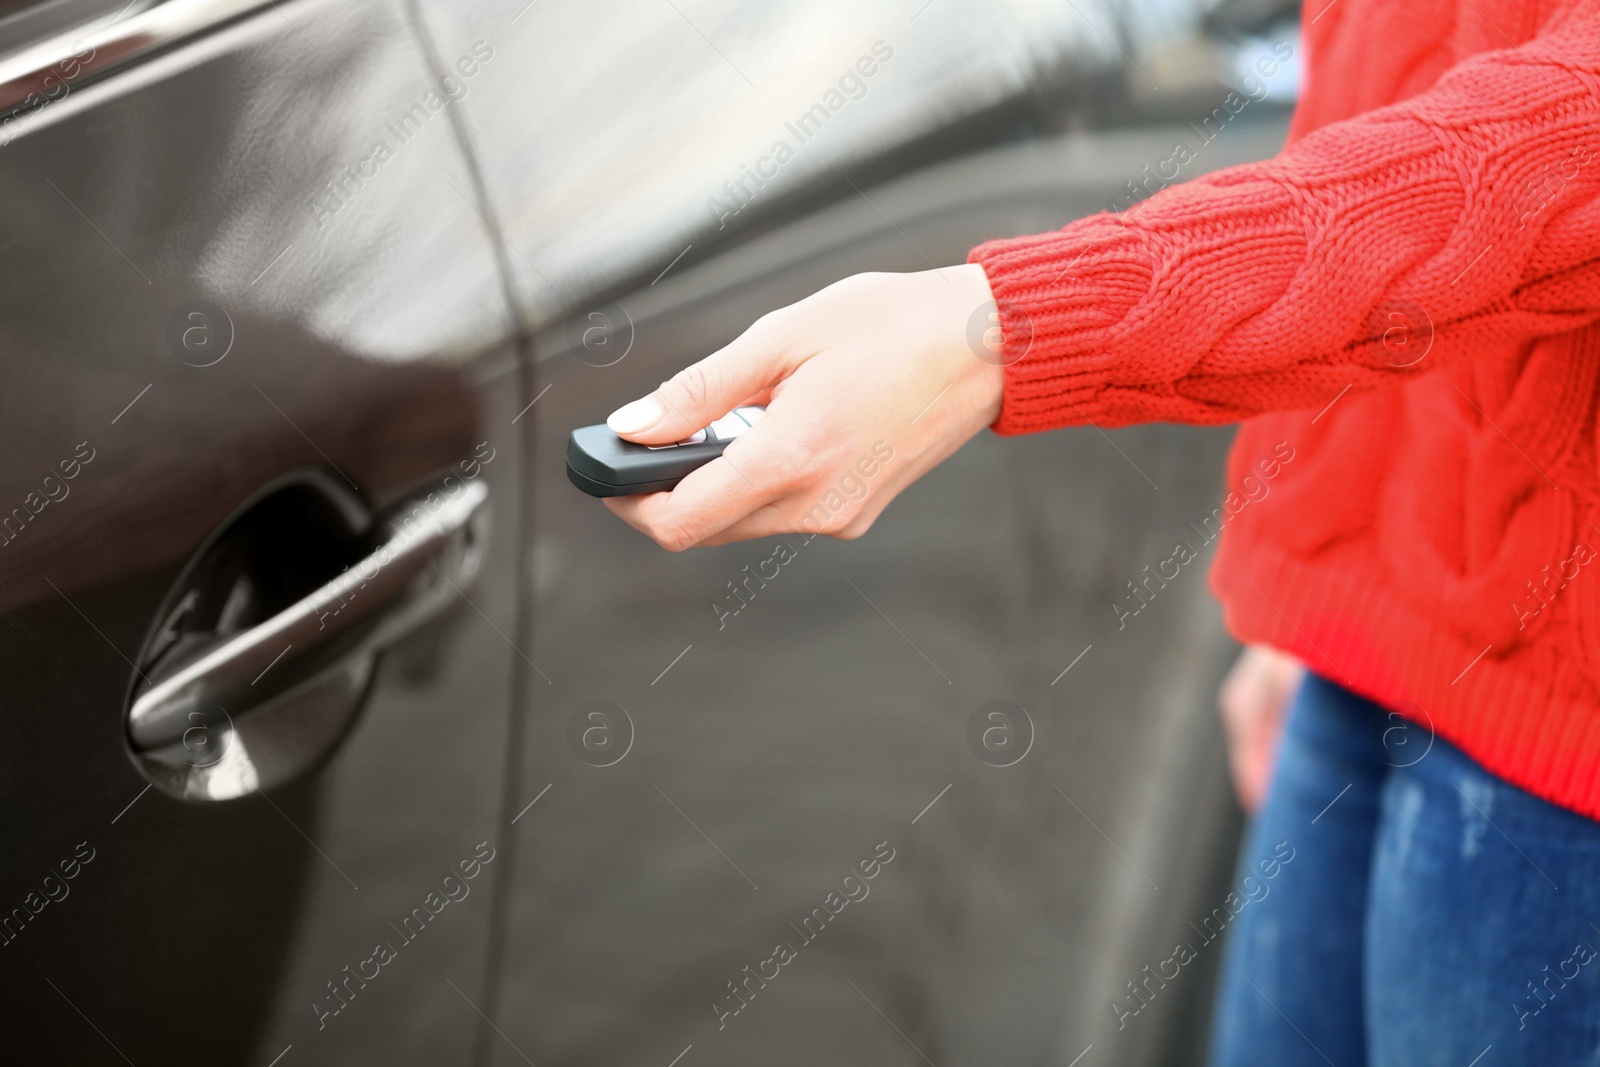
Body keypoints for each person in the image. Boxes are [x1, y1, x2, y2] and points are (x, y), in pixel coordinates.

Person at [599, 0, 1600, 1061]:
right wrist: (1315, 559)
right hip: (1369, 637)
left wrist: (1002, 331)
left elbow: (1552, 143)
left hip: (1561, 756)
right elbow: (1404, 62)